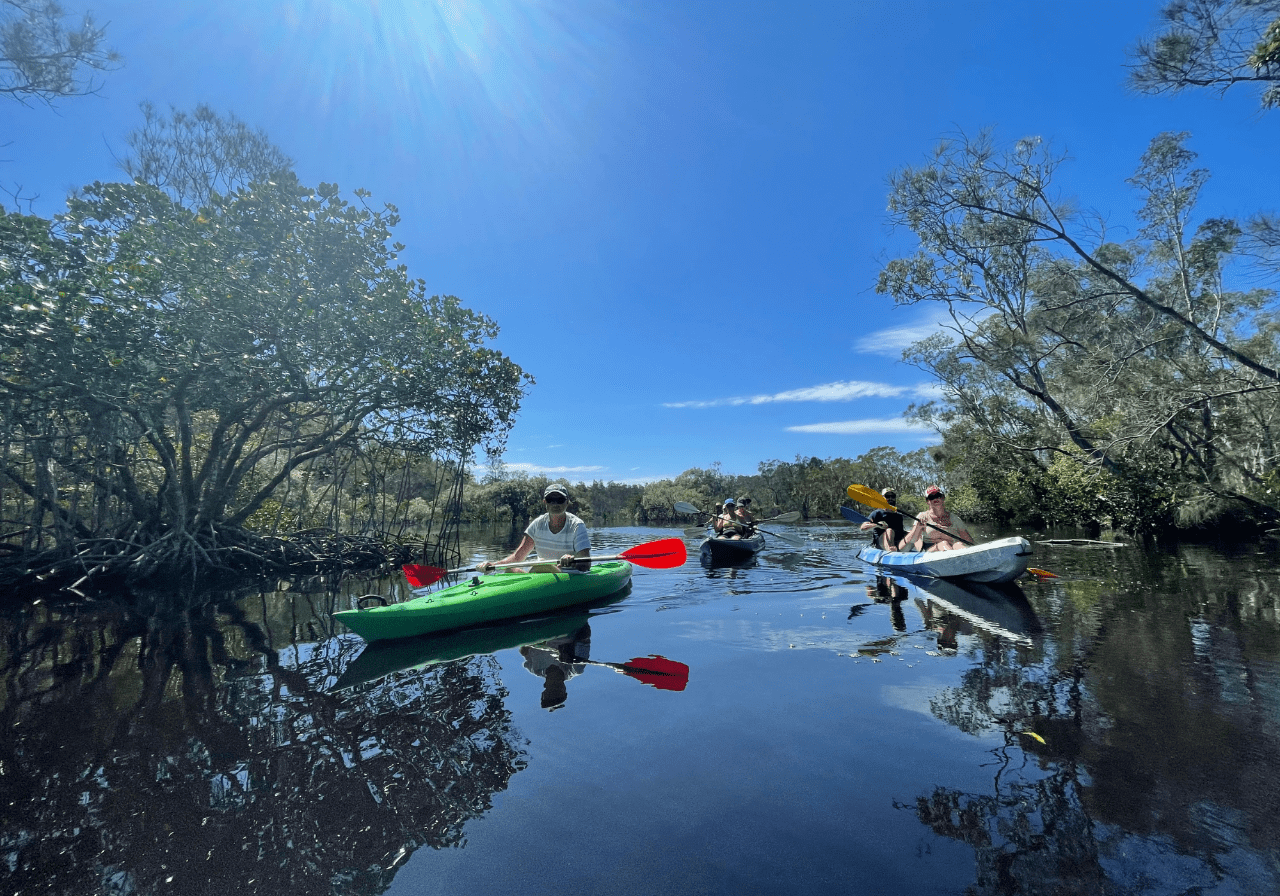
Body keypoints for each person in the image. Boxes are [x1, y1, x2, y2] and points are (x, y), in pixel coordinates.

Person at [479, 484, 591, 573]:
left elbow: (586, 564)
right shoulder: (537, 524)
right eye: (551, 500)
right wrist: (493, 565)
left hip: (569, 577)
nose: (555, 504)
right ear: (545, 502)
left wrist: (572, 560)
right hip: (541, 575)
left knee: (541, 564)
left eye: (560, 500)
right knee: (510, 569)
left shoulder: (577, 525)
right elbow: (517, 558)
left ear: (567, 502)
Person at [901, 485, 972, 553]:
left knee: (958, 545)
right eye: (932, 497)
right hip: (930, 551)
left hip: (951, 547)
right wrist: (917, 528)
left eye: (938, 496)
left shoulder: (954, 518)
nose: (935, 499)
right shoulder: (922, 516)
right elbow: (909, 542)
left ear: (943, 498)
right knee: (943, 544)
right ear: (927, 501)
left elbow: (969, 540)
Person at [859, 487, 907, 551]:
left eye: (893, 496)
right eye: (887, 496)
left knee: (915, 531)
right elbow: (862, 528)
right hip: (881, 543)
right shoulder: (877, 513)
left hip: (897, 542)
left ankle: (920, 550)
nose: (890, 498)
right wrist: (877, 525)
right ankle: (890, 550)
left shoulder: (899, 515)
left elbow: (901, 532)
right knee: (889, 530)